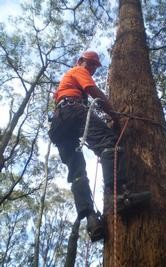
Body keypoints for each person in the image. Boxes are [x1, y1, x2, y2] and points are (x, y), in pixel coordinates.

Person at [48, 51, 150, 242]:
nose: (93, 68)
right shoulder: (78, 70)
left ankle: (91, 219)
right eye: (91, 64)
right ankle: (120, 196)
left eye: (95, 66)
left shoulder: (66, 84)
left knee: (77, 172)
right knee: (109, 143)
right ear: (80, 61)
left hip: (58, 126)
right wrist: (114, 115)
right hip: (72, 110)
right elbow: (93, 91)